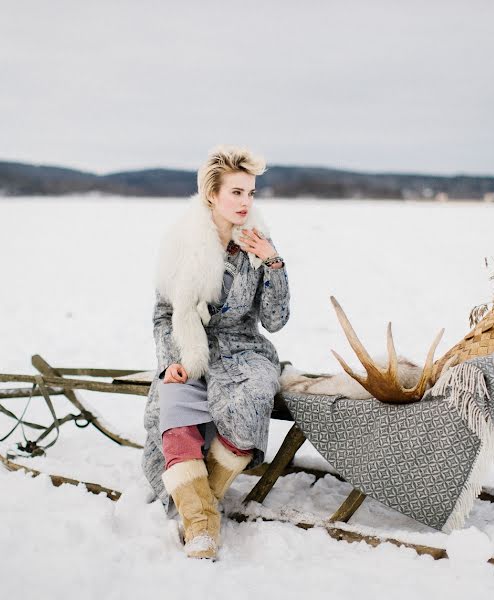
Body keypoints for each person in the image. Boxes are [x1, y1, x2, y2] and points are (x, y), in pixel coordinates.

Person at [141, 145, 290, 560]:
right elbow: (164, 313)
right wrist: (172, 360)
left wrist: (274, 263)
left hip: (245, 352)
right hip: (189, 347)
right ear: (212, 194)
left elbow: (275, 321)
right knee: (174, 416)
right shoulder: (181, 243)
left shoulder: (259, 243)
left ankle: (197, 501)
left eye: (251, 193)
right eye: (236, 192)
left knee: (251, 403)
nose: (246, 203)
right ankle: (203, 526)